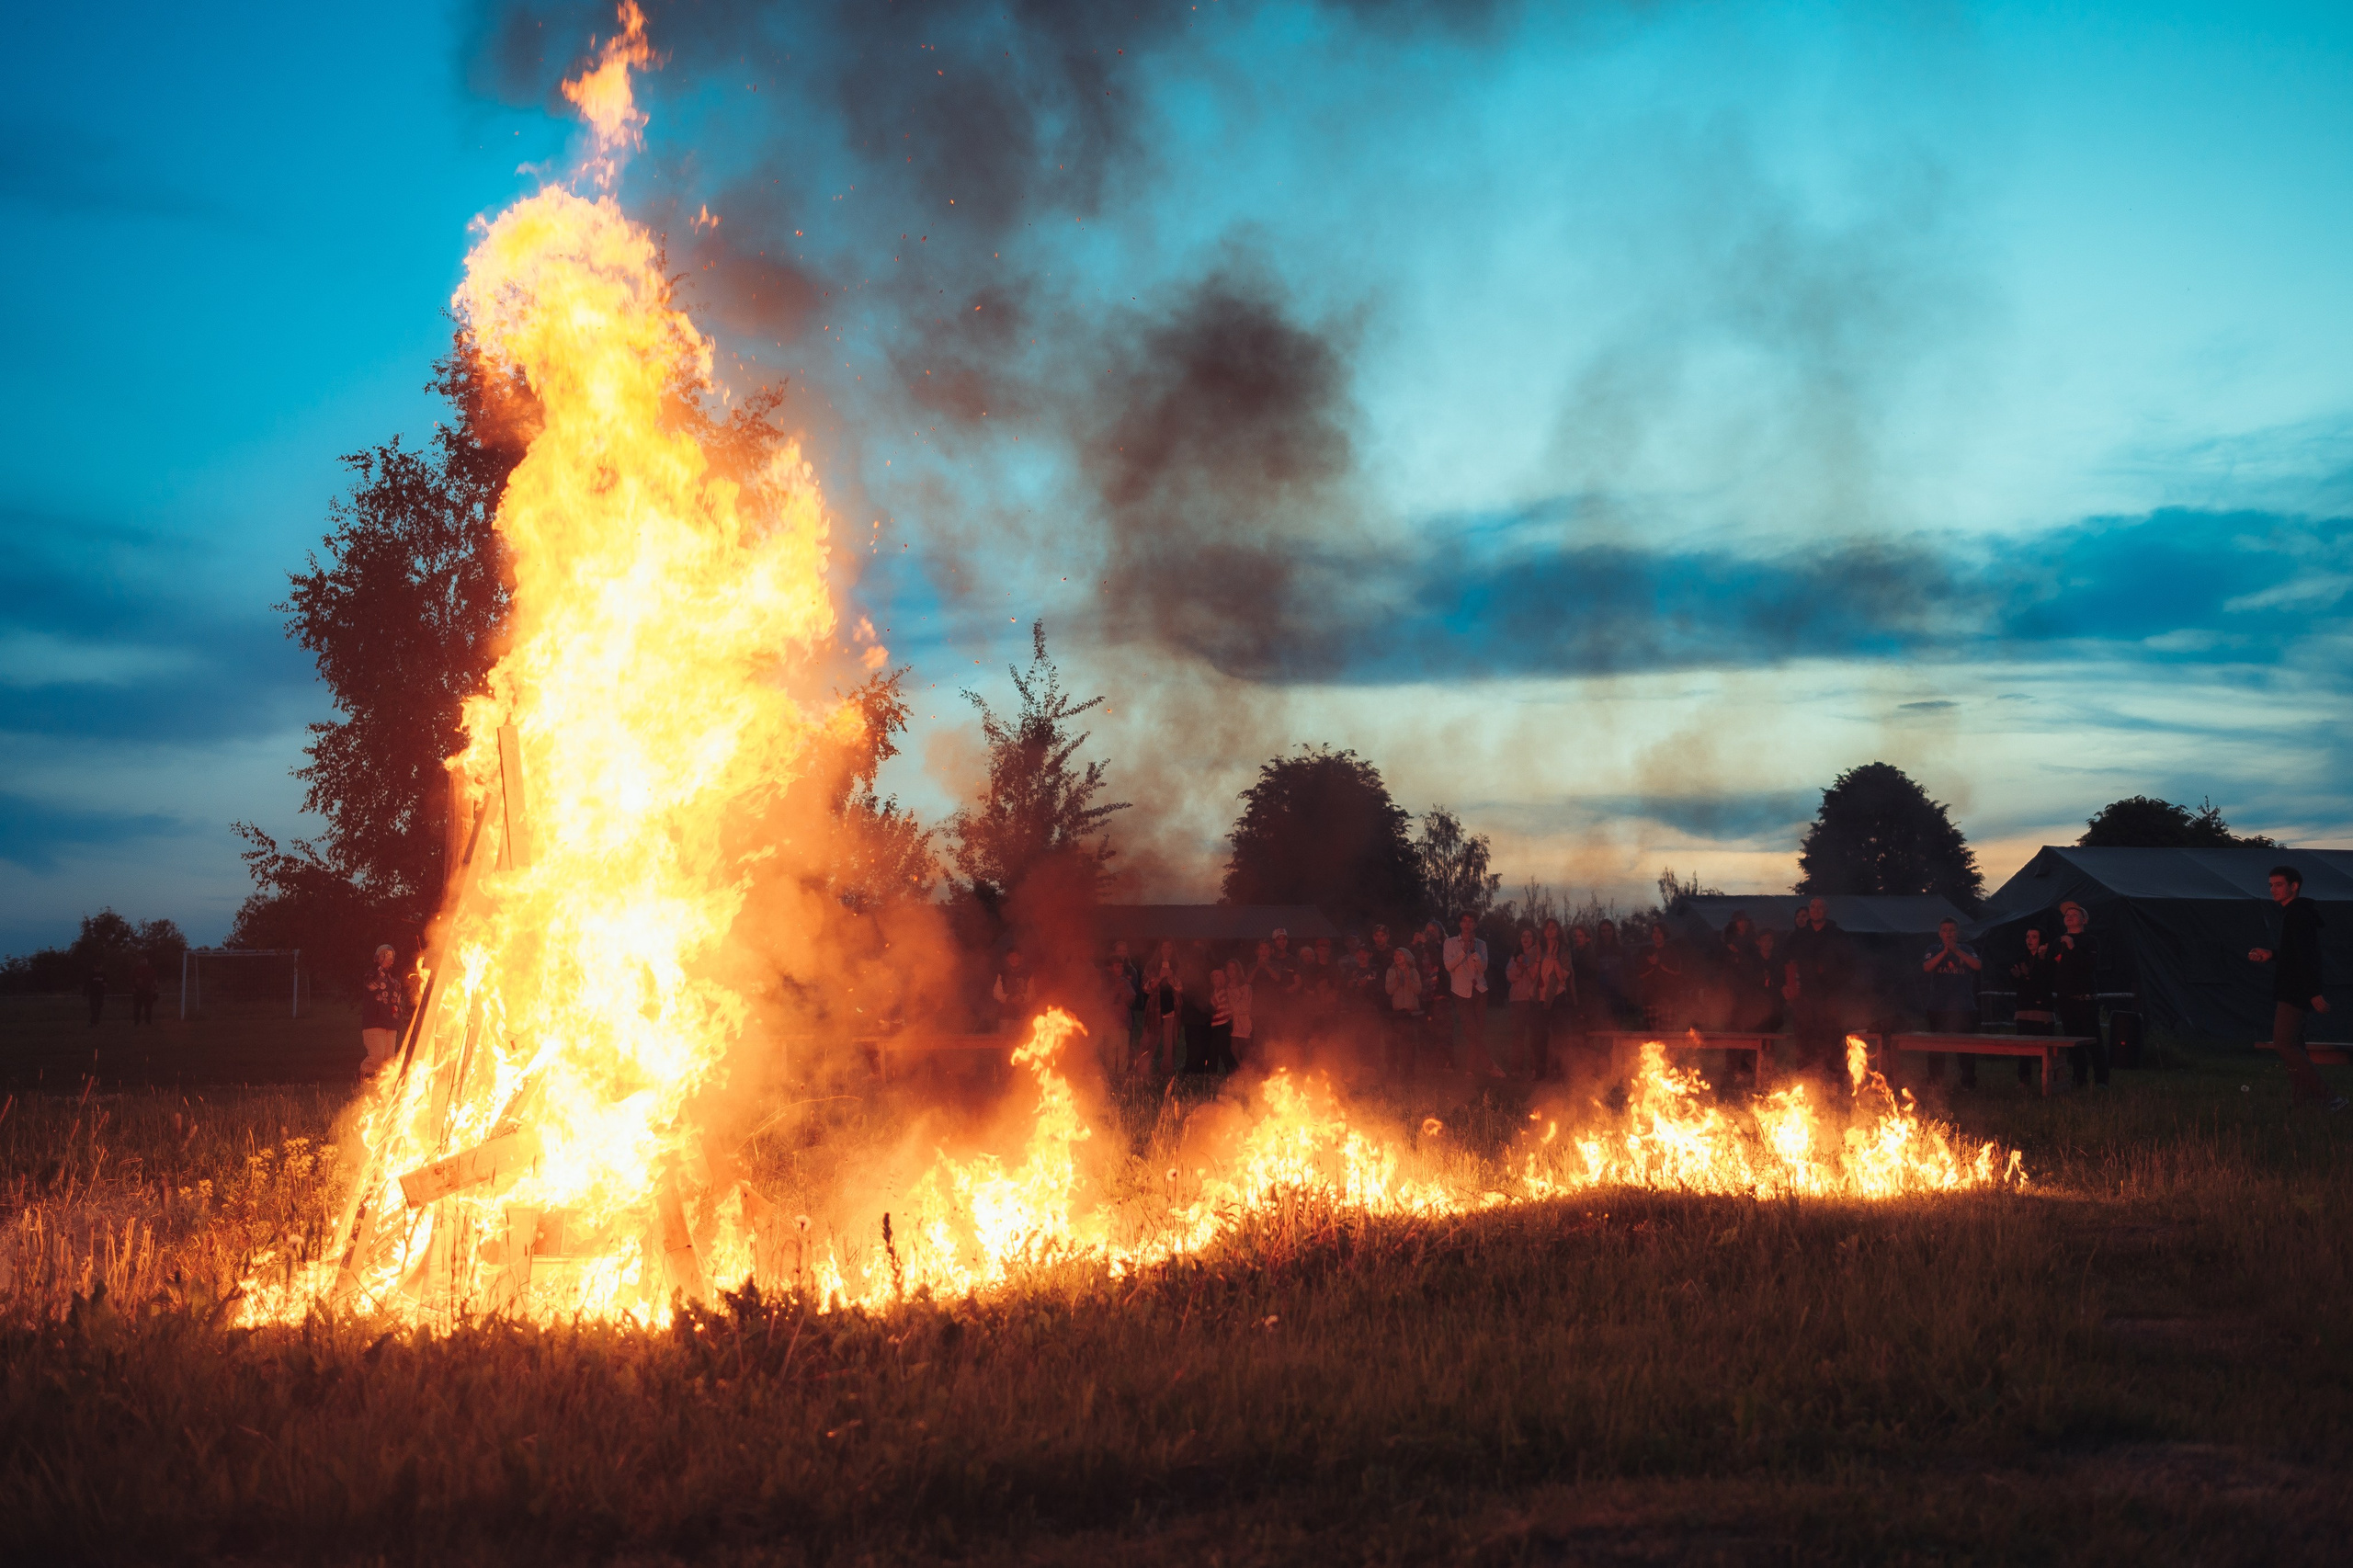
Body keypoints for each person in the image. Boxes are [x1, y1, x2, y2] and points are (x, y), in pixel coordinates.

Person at [2248, 864, 2346, 1111]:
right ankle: (2303, 1104)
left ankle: (2330, 1098)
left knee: (2283, 1043)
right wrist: (2271, 954)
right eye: (2271, 885)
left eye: (2278, 884)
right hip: (2294, 988)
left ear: (2294, 886)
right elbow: (2294, 953)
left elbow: (2306, 956)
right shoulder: (2294, 913)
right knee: (2294, 1046)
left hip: (2295, 991)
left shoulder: (2297, 915)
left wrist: (2313, 992)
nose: (2273, 889)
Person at [2049, 901, 2107, 1087]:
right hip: (2066, 999)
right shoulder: (2058, 942)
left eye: (2074, 914)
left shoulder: (2090, 941)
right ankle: (2079, 1079)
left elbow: (2088, 966)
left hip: (2085, 998)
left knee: (2092, 1039)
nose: (2069, 916)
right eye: (2067, 915)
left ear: (2084, 920)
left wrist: (2073, 947)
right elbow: (2053, 968)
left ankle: (2101, 1080)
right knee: (2072, 1040)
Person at [1920, 917, 1984, 1085]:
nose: (1948, 934)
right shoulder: (1934, 949)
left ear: (1957, 932)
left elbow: (1977, 965)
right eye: (1945, 930)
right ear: (1940, 933)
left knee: (1966, 1047)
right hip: (1938, 1007)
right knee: (1936, 1046)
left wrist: (1955, 951)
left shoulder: (1967, 949)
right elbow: (1927, 967)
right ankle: (1935, 1081)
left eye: (1952, 930)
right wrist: (1944, 952)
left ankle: (1968, 1082)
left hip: (1964, 1007)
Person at [1443, 913, 1501, 1076]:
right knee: (1471, 1030)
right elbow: (1449, 966)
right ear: (1460, 924)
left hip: (1480, 990)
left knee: (1477, 1031)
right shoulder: (1450, 942)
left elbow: (1482, 968)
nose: (1467, 925)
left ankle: (1470, 1069)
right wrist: (1463, 951)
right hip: (1460, 991)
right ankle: (1489, 1065)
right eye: (1465, 921)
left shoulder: (1481, 944)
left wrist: (1473, 950)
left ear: (1475, 925)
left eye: (1471, 922)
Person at [359, 944, 406, 1074]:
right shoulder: (370, 975)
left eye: (391, 955)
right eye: (384, 954)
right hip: (374, 1021)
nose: (388, 958)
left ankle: (381, 1087)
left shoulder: (395, 979)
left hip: (391, 1023)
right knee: (377, 1055)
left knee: (388, 1059)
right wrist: (381, 968)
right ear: (376, 958)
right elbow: (372, 986)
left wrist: (398, 1015)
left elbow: (396, 1000)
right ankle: (365, 1078)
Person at [1506, 926, 1545, 1076]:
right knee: (1517, 1035)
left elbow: (1537, 977)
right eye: (1523, 936)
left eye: (1529, 936)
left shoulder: (1538, 957)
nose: (1526, 939)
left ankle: (1535, 1067)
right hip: (1517, 999)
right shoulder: (1515, 957)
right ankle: (1516, 1068)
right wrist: (1520, 967)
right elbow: (1510, 976)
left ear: (1534, 940)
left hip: (1534, 999)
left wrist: (1528, 967)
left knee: (1535, 1035)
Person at [1384, 945, 1423, 1075]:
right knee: (1396, 1041)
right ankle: (1395, 1068)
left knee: (1409, 1041)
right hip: (1398, 1011)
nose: (1397, 957)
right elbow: (1389, 990)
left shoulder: (1413, 971)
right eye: (1396, 955)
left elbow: (1418, 990)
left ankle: (1409, 1070)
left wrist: (1407, 978)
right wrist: (1396, 980)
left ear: (1406, 957)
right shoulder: (1391, 971)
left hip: (1411, 1011)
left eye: (1400, 955)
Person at [1108, 940, 1144, 1072]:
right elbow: (1105, 1000)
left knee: (1124, 1049)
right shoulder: (1106, 982)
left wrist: (1124, 990)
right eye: (1117, 966)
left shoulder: (1128, 977)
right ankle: (1111, 1076)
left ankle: (1122, 1076)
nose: (1120, 969)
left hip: (1124, 1020)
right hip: (1110, 1021)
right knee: (1111, 1050)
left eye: (1121, 967)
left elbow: (1132, 998)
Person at [1223, 958, 1254, 1069]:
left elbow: (1247, 1006)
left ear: (1238, 970)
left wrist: (1235, 1009)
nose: (1231, 971)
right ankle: (1242, 1067)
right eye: (1229, 969)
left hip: (1244, 1019)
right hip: (1235, 1020)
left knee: (1245, 1046)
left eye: (1234, 969)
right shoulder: (1227, 988)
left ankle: (1249, 1069)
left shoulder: (1245, 987)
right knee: (1234, 1047)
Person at [991, 949, 1032, 1028]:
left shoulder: (1028, 974)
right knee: (1003, 1040)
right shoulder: (1002, 974)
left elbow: (1032, 994)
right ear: (1007, 959)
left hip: (1022, 1017)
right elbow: (996, 993)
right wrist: (1008, 998)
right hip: (1005, 1017)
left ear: (1021, 958)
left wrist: (1022, 998)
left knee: (1022, 1040)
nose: (1013, 959)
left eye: (1016, 957)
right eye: (1011, 957)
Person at [130, 956, 160, 1026]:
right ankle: (136, 1022)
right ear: (140, 962)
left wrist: (156, 989)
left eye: (145, 961)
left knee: (148, 1007)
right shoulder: (136, 970)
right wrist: (133, 988)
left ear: (147, 962)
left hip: (148, 991)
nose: (144, 962)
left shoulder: (151, 970)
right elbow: (131, 980)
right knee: (137, 1007)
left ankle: (148, 1021)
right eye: (142, 961)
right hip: (138, 991)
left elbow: (155, 980)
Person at [83, 964, 107, 1028]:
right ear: (94, 967)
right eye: (97, 967)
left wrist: (105, 985)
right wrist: (84, 992)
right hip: (92, 994)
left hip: (100, 994)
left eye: (99, 967)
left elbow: (106, 982)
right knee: (94, 1009)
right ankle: (93, 1022)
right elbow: (87, 983)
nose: (98, 968)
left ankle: (94, 1022)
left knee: (99, 1008)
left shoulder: (103, 975)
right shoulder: (91, 975)